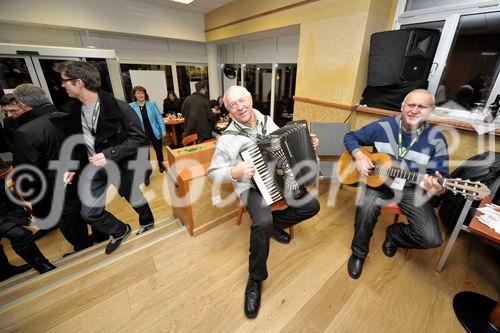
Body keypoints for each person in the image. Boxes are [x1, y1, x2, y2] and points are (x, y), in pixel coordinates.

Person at [207, 85, 320, 318]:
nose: (240, 107)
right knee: (261, 221)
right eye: (233, 105)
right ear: (227, 110)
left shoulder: (268, 122)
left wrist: (309, 146)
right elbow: (212, 173)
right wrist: (234, 173)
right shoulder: (226, 139)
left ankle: (272, 224)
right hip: (250, 188)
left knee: (312, 206)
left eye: (242, 101)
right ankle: (255, 279)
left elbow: (286, 147)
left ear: (250, 99)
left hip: (277, 180)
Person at [343, 89, 448, 280]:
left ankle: (394, 235)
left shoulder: (437, 140)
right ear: (402, 107)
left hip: (411, 188)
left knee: (432, 238)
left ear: (430, 112)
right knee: (365, 207)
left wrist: (437, 188)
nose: (415, 110)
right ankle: (358, 253)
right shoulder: (383, 126)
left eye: (422, 106)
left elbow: (441, 178)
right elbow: (350, 137)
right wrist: (359, 156)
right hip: (377, 182)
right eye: (411, 105)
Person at [56, 60, 156, 254]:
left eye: (64, 80)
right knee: (89, 212)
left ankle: (148, 221)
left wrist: (110, 153)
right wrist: (72, 166)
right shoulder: (71, 111)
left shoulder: (120, 108)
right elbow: (76, 144)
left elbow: (139, 139)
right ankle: (120, 229)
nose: (62, 85)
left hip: (118, 163)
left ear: (79, 82)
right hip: (91, 168)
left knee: (133, 195)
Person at [11, 84, 97, 254]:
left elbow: (28, 173)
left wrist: (33, 197)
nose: (11, 115)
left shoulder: (25, 132)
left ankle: (83, 250)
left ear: (23, 104)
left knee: (73, 228)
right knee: (94, 213)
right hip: (86, 176)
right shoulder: (71, 117)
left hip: (57, 190)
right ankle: (99, 240)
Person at [1, 178, 56, 280]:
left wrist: (25, 220)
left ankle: (6, 270)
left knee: (21, 234)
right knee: (20, 234)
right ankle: (39, 264)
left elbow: (13, 201)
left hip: (5, 215)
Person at [129, 86, 167, 183]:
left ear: (145, 94)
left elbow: (159, 118)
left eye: (142, 93)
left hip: (154, 131)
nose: (141, 95)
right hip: (141, 134)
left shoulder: (152, 104)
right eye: (138, 93)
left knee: (159, 150)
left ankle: (161, 164)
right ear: (134, 95)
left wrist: (163, 130)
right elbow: (130, 122)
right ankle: (146, 174)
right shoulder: (131, 106)